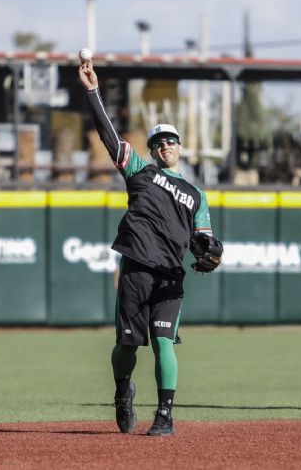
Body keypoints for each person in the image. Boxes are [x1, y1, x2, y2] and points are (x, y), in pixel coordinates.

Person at [78, 55, 217, 436]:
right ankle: (123, 392)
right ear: (153, 150)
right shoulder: (140, 171)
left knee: (163, 342)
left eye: (171, 140)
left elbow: (203, 240)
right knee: (126, 347)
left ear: (180, 147)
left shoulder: (196, 194)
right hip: (137, 268)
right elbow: (108, 136)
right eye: (158, 142)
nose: (165, 145)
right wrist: (92, 92)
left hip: (170, 276)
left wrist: (208, 253)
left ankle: (165, 415)